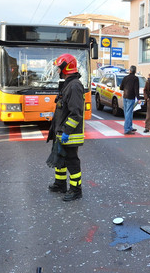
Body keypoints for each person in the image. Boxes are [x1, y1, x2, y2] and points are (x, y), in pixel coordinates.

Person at [47, 54, 85, 201]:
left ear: (66, 67)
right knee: (60, 158)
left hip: (68, 133)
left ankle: (76, 190)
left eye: (59, 68)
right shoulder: (68, 84)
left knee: (71, 161)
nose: (57, 71)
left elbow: (76, 113)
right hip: (60, 131)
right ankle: (60, 184)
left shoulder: (74, 86)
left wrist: (66, 132)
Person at [120, 65, 141, 135]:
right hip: (131, 97)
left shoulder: (125, 78)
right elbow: (136, 89)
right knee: (129, 113)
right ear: (135, 71)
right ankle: (127, 129)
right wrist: (138, 98)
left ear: (130, 70)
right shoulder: (135, 78)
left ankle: (130, 126)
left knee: (127, 112)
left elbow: (121, 87)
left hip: (125, 96)